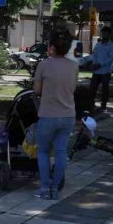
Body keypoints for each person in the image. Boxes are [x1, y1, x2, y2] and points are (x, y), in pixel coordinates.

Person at [33, 31, 78, 200]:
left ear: (52, 47)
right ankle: (55, 188)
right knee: (61, 152)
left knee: (43, 151)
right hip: (68, 115)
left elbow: (37, 91)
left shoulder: (44, 65)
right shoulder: (74, 66)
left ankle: (45, 187)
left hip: (48, 114)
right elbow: (72, 89)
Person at [89, 26, 113, 112]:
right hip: (96, 71)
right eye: (103, 33)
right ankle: (90, 105)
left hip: (105, 71)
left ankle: (103, 106)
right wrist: (94, 64)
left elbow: (112, 58)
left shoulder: (111, 45)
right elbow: (94, 55)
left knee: (105, 89)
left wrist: (100, 64)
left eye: (106, 33)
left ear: (109, 34)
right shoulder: (98, 44)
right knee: (92, 88)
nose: (104, 34)